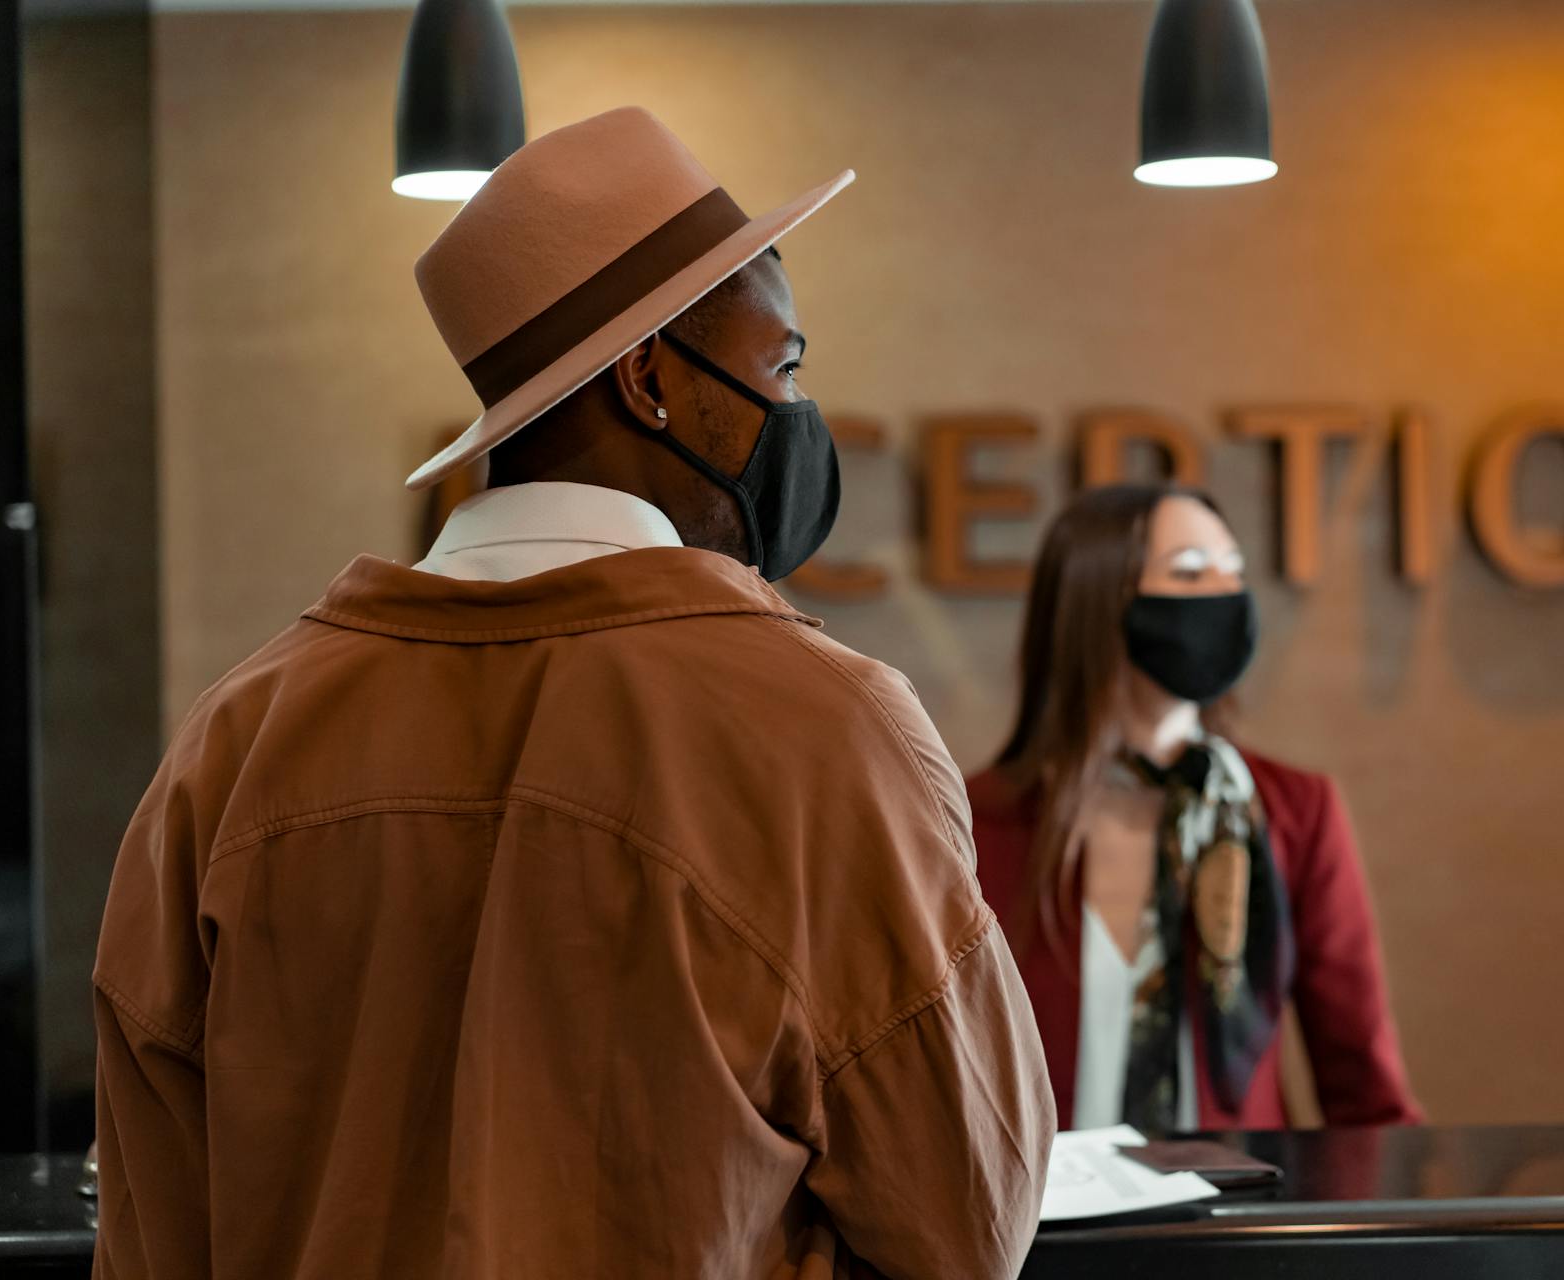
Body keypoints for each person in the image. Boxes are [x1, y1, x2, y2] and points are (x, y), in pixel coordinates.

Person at [92, 107, 1052, 1279]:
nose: (799, 415)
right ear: (649, 377)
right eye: (783, 365)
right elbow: (970, 1216)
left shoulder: (236, 738)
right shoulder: (825, 728)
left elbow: (149, 1231)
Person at [968, 483, 1421, 1133]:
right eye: (1188, 572)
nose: (1225, 595)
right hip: (1042, 1220)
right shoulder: (971, 824)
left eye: (1233, 572)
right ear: (1097, 599)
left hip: (1238, 1214)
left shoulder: (1293, 812)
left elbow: (1364, 1084)